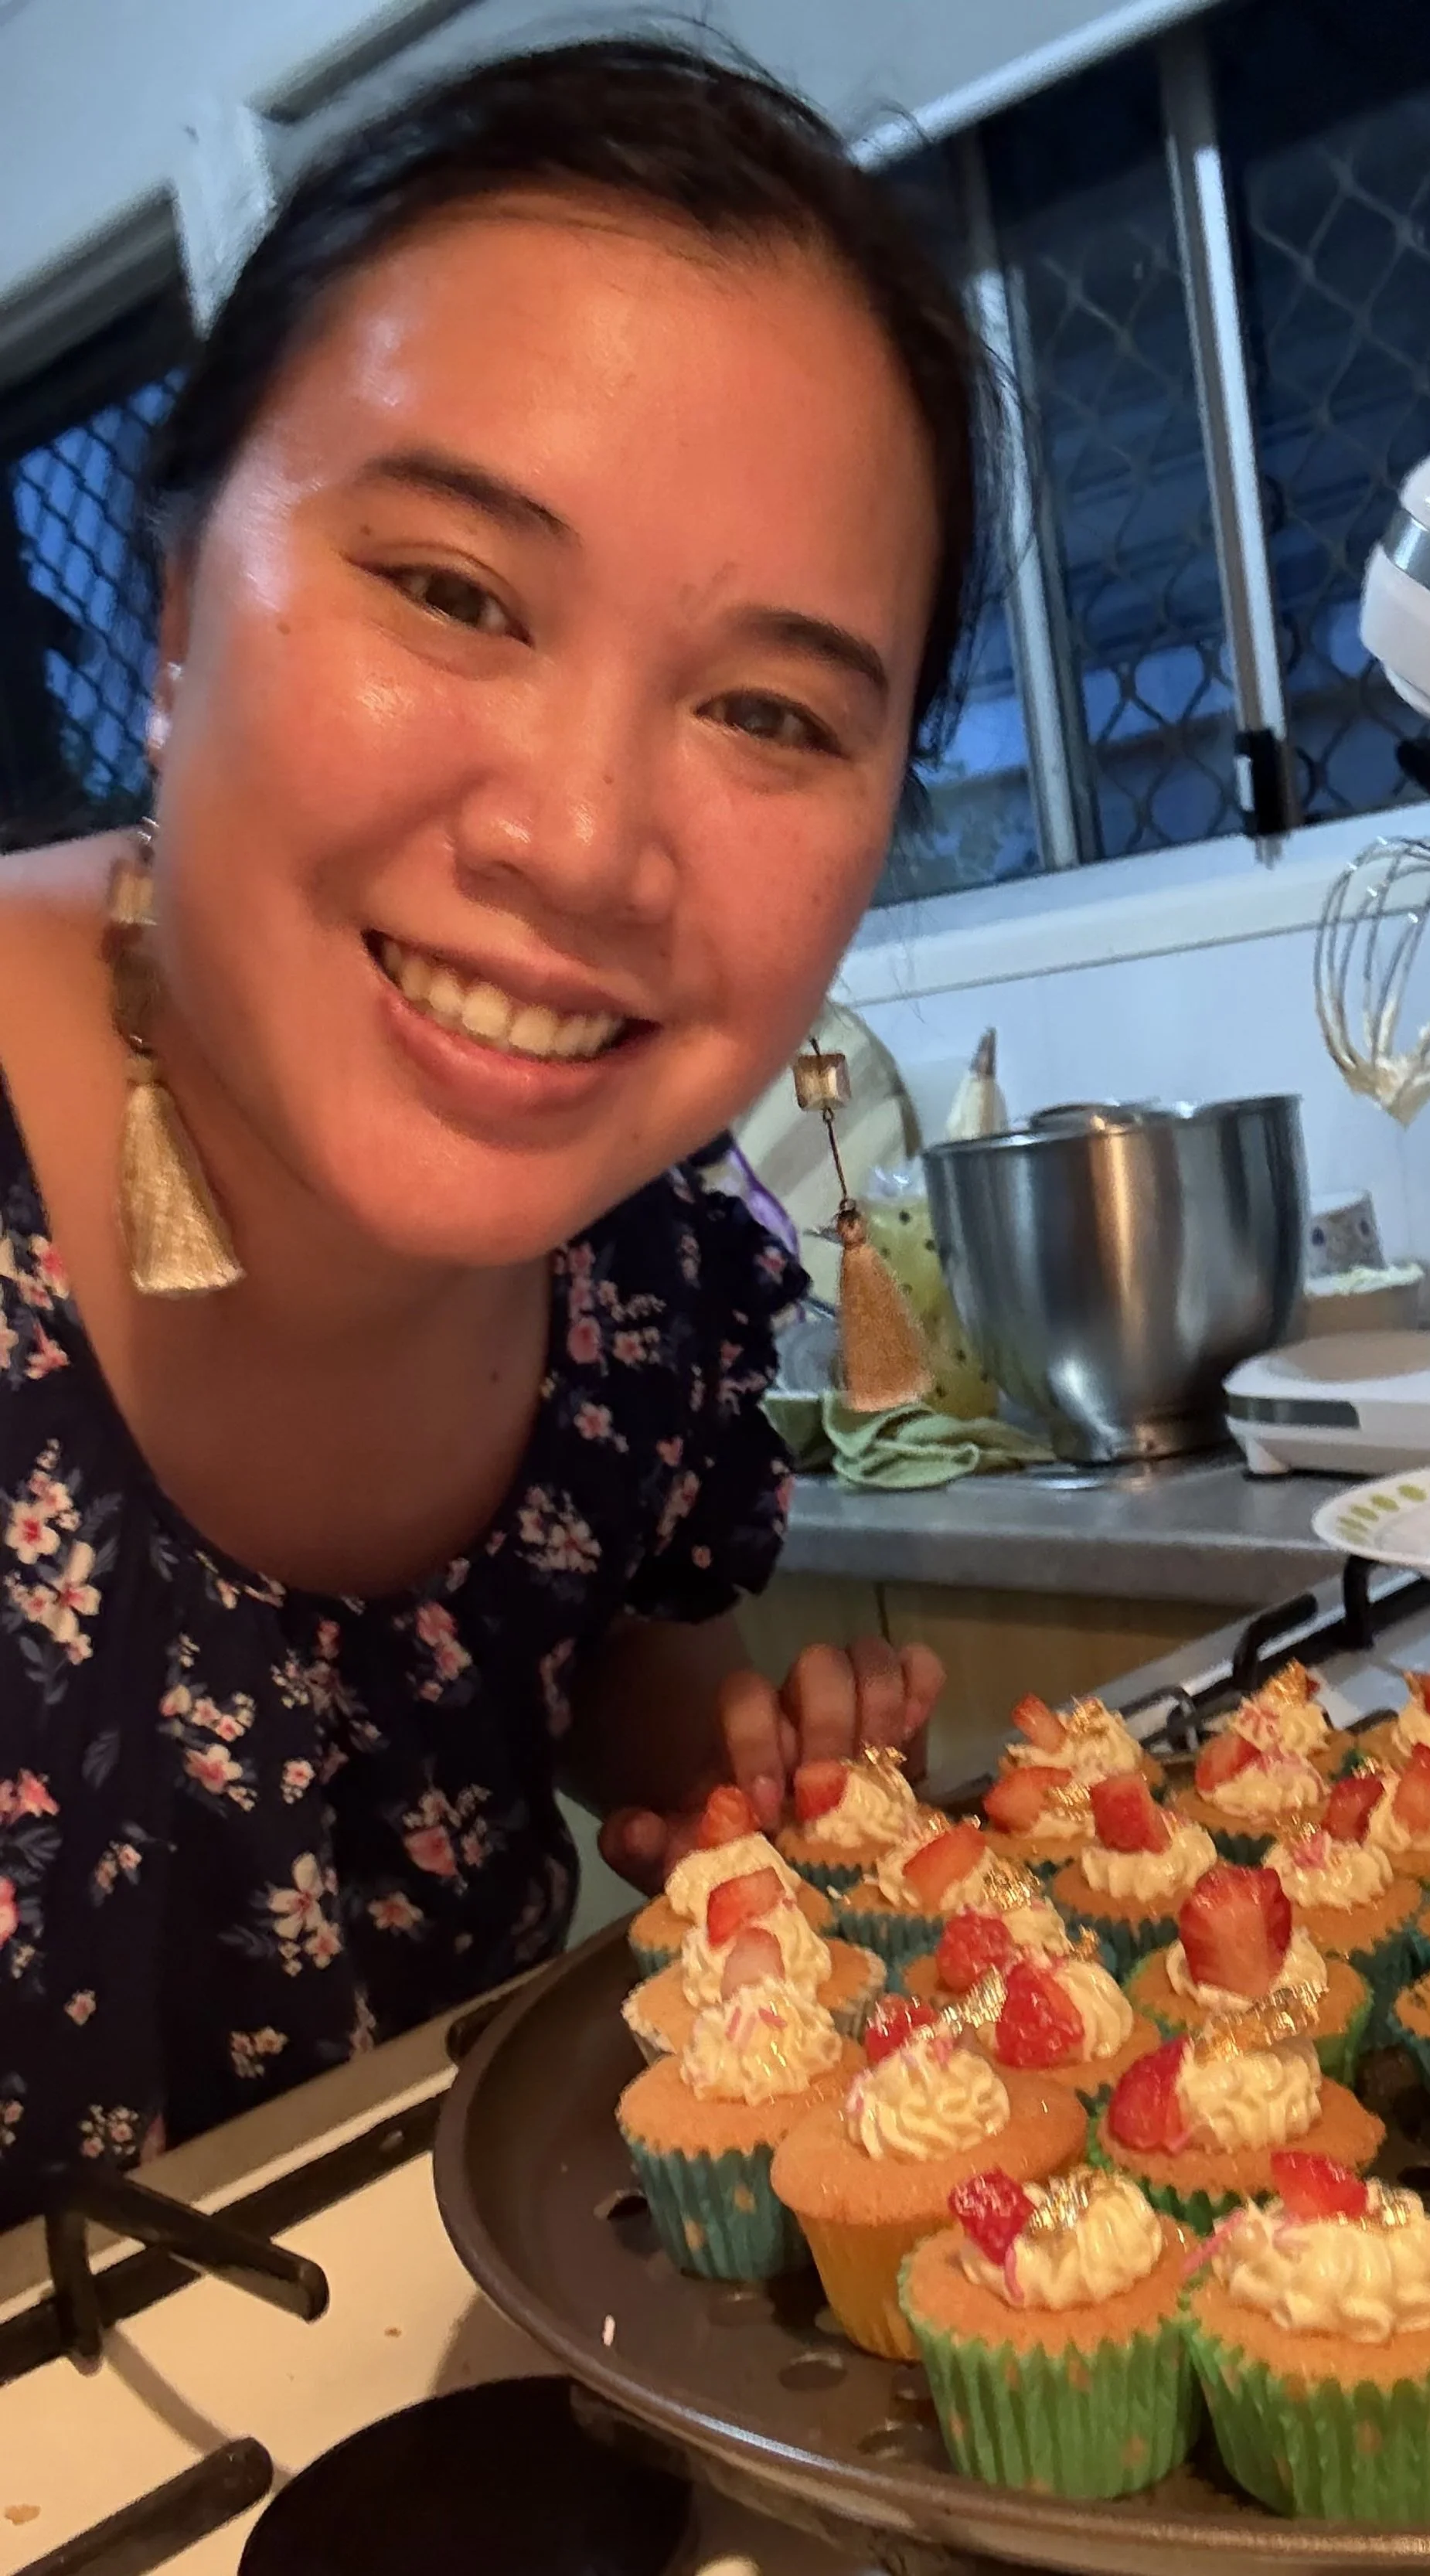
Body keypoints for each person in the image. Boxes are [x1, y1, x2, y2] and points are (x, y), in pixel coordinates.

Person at [0, 38, 986, 2220]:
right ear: (173, 619)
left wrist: (771, 1810)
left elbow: (636, 1734)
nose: (576, 840)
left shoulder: (651, 1276)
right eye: (453, 591)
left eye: (767, 710)